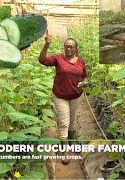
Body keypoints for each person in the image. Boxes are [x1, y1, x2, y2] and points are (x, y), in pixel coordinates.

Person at [39, 31, 87, 165]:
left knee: (72, 121)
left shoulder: (81, 62)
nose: (69, 48)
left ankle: (72, 143)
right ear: (64, 47)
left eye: (71, 46)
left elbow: (84, 76)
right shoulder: (58, 58)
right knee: (64, 122)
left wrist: (84, 82)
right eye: (66, 46)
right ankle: (64, 149)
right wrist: (46, 45)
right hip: (60, 96)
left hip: (76, 96)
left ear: (76, 48)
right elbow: (42, 60)